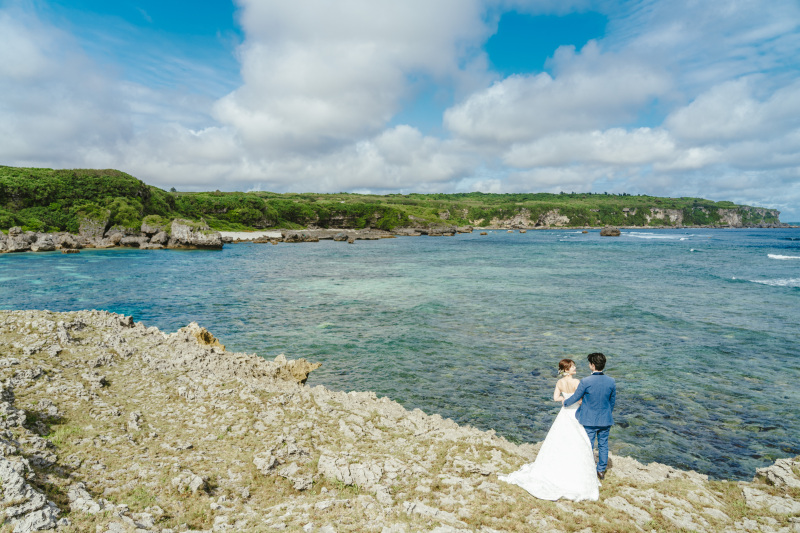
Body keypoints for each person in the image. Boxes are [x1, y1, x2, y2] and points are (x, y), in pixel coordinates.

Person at [498, 358, 600, 501]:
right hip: (576, 413)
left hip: (565, 413)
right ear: (566, 369)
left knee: (560, 439)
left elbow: (555, 398)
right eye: (572, 367)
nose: (575, 368)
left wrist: (564, 400)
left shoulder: (559, 383)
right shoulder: (577, 382)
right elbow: (580, 399)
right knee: (579, 440)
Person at [562, 352, 616, 480]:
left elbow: (576, 397)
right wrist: (607, 413)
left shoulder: (586, 381)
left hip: (589, 419)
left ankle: (587, 468)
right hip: (605, 419)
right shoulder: (611, 381)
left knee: (588, 444)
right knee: (603, 445)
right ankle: (601, 470)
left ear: (592, 365)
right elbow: (612, 402)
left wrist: (565, 403)